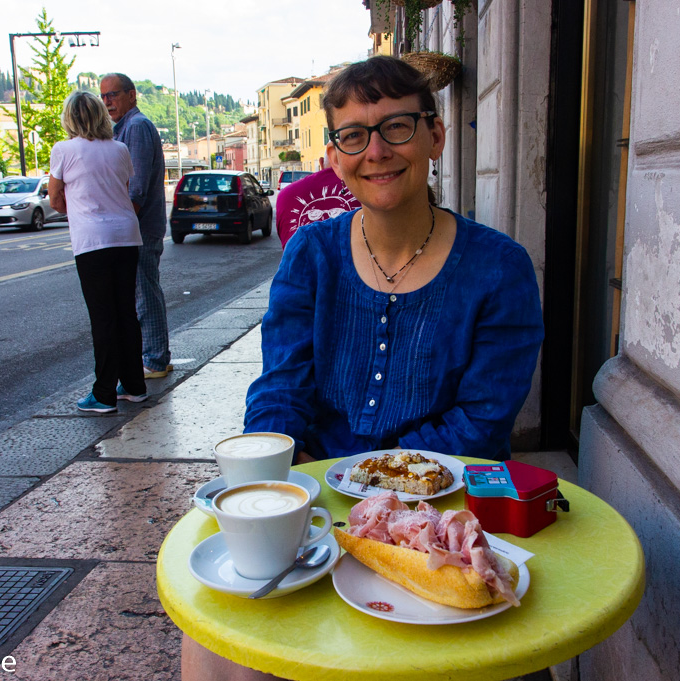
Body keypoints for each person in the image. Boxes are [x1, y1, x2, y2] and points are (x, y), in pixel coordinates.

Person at [181, 55, 545, 679]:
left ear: (436, 135)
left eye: (397, 126)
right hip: (317, 493)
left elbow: (482, 422)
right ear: (334, 154)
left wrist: (377, 499)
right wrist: (273, 476)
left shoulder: (500, 268)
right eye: (354, 134)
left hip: (438, 511)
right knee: (222, 631)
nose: (375, 150)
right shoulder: (311, 254)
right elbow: (281, 385)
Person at [48, 90, 147, 413]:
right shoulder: (120, 149)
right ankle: (134, 385)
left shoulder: (63, 150)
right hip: (126, 236)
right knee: (126, 314)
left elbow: (55, 199)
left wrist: (78, 209)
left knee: (102, 317)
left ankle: (103, 393)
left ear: (70, 118)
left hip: (93, 241)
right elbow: (122, 186)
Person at [100, 72, 173, 380]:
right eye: (103, 97)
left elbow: (137, 186)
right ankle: (152, 356)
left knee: (144, 292)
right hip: (136, 227)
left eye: (113, 95)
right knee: (140, 292)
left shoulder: (137, 127)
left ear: (131, 95)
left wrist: (123, 229)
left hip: (139, 228)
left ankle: (156, 359)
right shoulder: (126, 128)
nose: (107, 102)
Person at [274, 154, 360, 249]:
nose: (325, 220)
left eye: (336, 213)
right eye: (314, 214)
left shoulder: (286, 195)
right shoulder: (367, 192)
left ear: (321, 162)